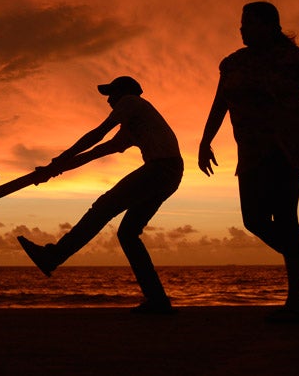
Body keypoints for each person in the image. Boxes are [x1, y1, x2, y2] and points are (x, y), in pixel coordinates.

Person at [198, 1, 299, 323]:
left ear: (270, 26)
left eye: (248, 23)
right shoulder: (233, 63)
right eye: (241, 24)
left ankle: (296, 302)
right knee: (254, 219)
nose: (242, 29)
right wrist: (205, 141)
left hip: (287, 146)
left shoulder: (295, 60)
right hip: (249, 148)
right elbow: (219, 104)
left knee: (286, 218)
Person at [17, 76, 185, 314]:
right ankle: (157, 301)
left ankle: (53, 256)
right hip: (170, 173)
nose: (108, 100)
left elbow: (96, 135)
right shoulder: (132, 126)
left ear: (125, 93)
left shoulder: (131, 102)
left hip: (161, 169)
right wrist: (55, 170)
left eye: (111, 94)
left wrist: (57, 162)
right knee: (127, 234)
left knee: (104, 207)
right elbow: (98, 151)